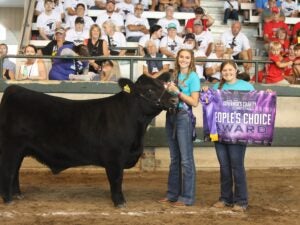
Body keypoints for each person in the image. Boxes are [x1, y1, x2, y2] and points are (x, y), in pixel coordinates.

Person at [204, 60, 255, 212]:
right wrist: (206, 93)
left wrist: (268, 96)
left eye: (230, 70)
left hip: (238, 133)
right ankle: (225, 198)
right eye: (224, 71)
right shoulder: (216, 87)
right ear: (221, 72)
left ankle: (242, 200)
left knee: (237, 166)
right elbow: (208, 105)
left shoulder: (246, 87)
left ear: (236, 70)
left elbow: (257, 105)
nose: (227, 73)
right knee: (224, 167)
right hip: (219, 133)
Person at [159, 49, 200, 206]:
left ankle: (187, 197)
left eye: (187, 57)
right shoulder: (173, 75)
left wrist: (178, 92)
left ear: (191, 60)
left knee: (186, 160)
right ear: (177, 58)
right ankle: (172, 194)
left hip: (183, 117)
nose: (183, 59)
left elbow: (194, 102)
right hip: (171, 115)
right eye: (181, 56)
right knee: (175, 158)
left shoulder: (193, 77)